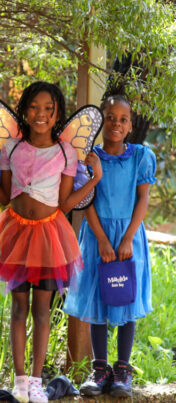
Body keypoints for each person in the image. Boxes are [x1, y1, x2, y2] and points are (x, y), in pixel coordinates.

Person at [0, 81, 102, 403]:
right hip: (14, 232)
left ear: (57, 114)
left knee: (42, 310)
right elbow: (4, 195)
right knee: (18, 307)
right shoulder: (10, 147)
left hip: (49, 235)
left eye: (48, 109)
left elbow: (65, 203)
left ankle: (38, 382)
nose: (40, 114)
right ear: (24, 110)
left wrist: (94, 179)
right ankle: (20, 381)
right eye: (34, 107)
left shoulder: (65, 151)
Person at [64, 95, 155, 398]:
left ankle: (123, 371)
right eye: (111, 118)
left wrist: (127, 237)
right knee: (98, 299)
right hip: (97, 235)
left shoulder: (141, 156)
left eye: (123, 119)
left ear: (130, 126)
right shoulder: (90, 157)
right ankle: (99, 369)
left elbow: (142, 199)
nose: (116, 123)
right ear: (101, 121)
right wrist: (102, 239)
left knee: (125, 298)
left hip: (129, 237)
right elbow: (86, 201)